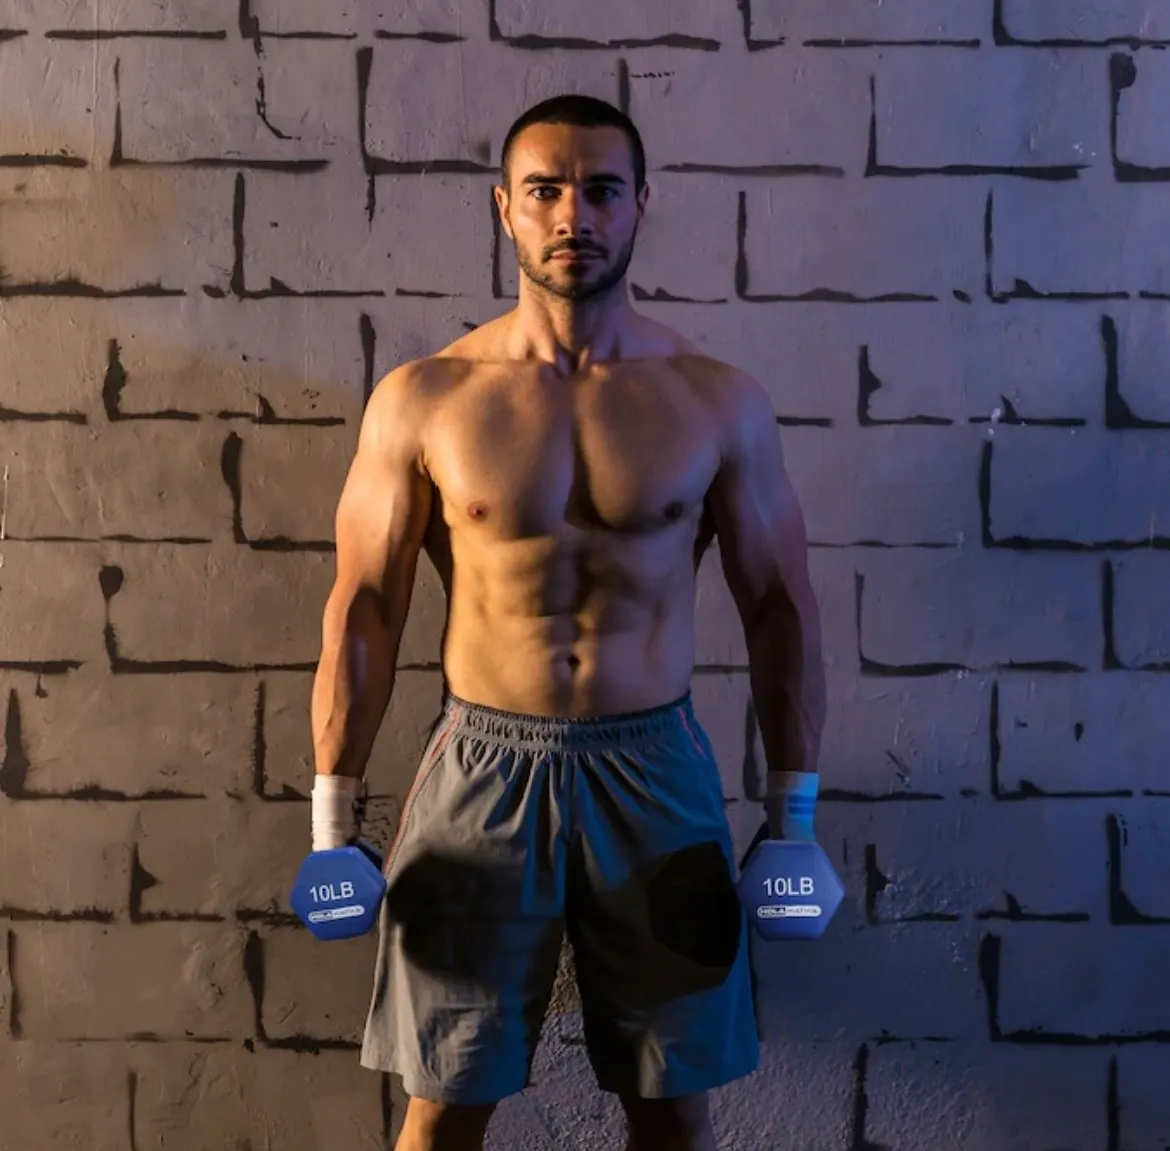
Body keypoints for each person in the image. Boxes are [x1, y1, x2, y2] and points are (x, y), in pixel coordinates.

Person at [308, 94, 827, 1151]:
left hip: (657, 777)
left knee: (673, 1109)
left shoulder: (716, 400)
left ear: (641, 206)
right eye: (545, 189)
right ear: (505, 208)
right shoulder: (427, 398)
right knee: (443, 1102)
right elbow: (365, 609)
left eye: (599, 190)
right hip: (482, 774)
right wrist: (333, 820)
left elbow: (780, 608)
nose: (572, 214)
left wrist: (796, 814)